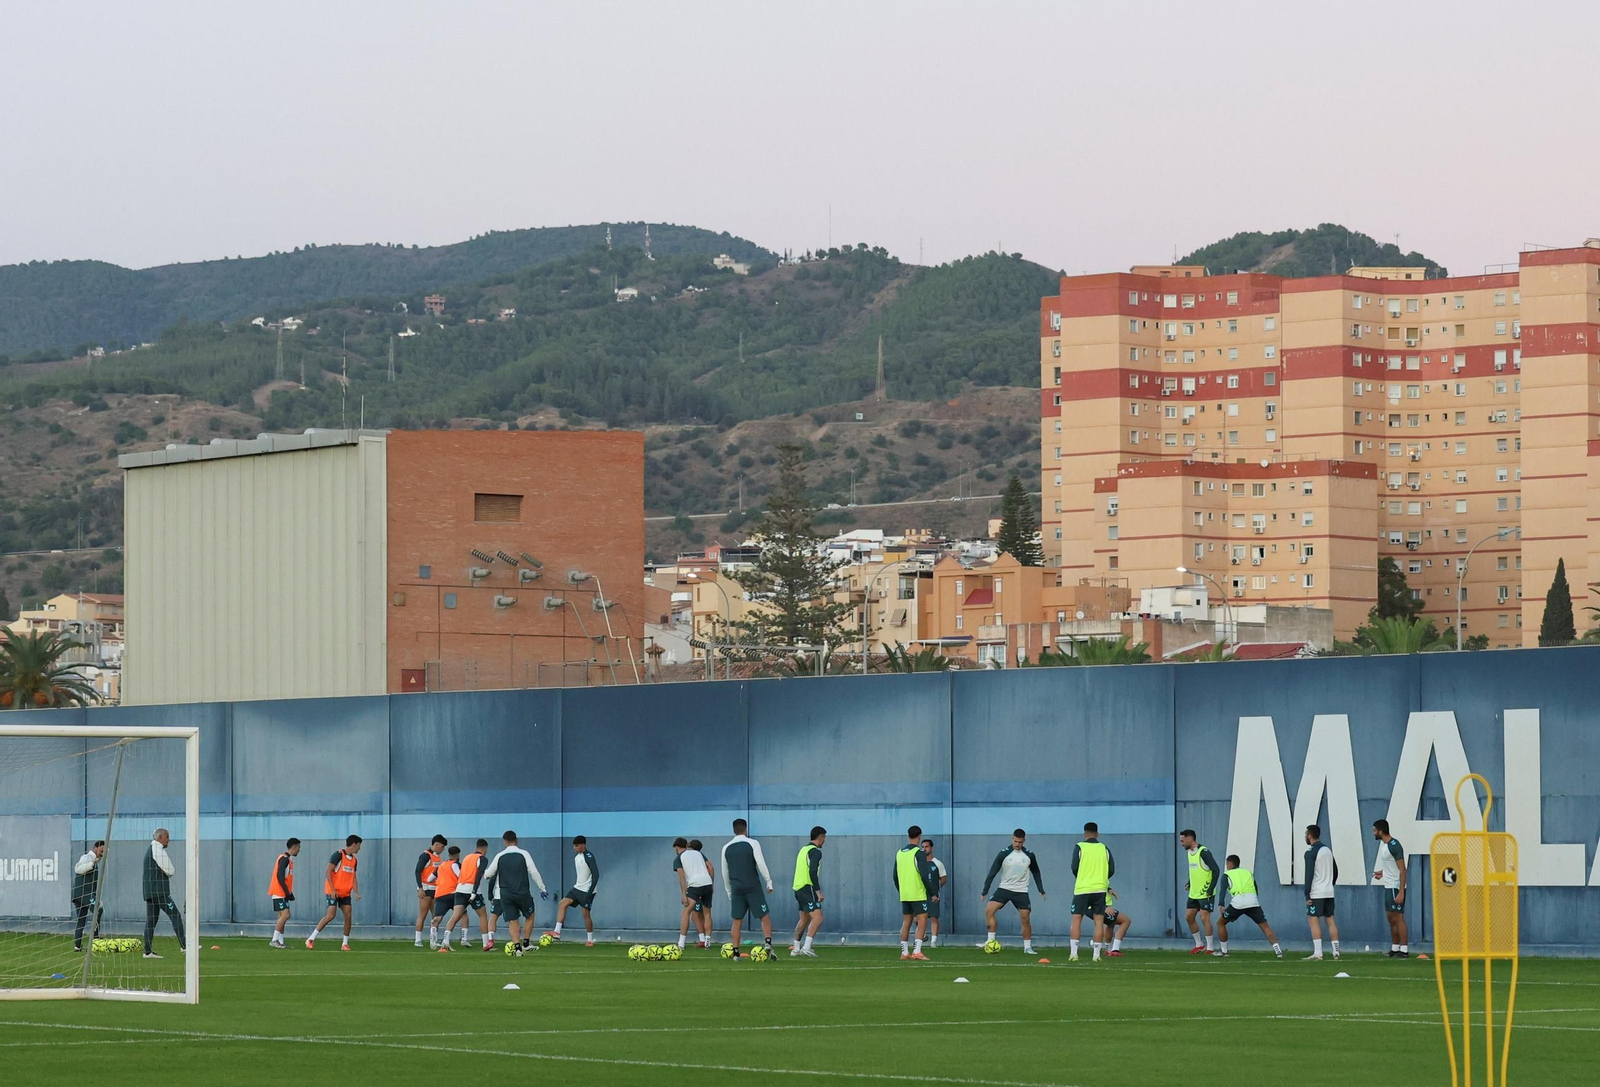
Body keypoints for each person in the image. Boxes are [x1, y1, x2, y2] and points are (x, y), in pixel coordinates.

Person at [979, 828, 1046, 954]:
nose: (1017, 844)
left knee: (1025, 918)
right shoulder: (1004, 853)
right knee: (989, 910)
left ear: (1024, 841)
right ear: (1012, 839)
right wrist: (985, 890)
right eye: (1015, 841)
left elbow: (1036, 872)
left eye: (1020, 842)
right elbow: (993, 872)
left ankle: (1027, 947)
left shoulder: (1029, 855)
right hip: (1004, 888)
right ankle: (990, 941)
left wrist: (1040, 889)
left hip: (1021, 891)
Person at [483, 830, 549, 957]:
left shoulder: (499, 856)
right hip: (522, 892)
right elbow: (533, 871)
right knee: (530, 915)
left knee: (513, 920)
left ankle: (517, 948)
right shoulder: (524, 854)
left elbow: (488, 874)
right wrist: (542, 888)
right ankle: (526, 943)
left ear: (504, 841)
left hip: (506, 894)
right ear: (516, 840)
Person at [720, 818, 774, 960]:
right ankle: (768, 944)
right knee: (764, 916)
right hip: (752, 886)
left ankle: (736, 952)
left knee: (737, 920)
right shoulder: (753, 843)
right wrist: (769, 881)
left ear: (733, 830)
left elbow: (724, 871)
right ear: (746, 829)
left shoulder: (726, 847)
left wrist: (728, 891)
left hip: (736, 888)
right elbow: (761, 863)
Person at [1216, 854, 1283, 958]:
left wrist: (1221, 904)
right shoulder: (1248, 872)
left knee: (1220, 923)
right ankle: (1278, 951)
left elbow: (1222, 891)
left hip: (1238, 903)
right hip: (1253, 901)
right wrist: (1254, 900)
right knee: (1265, 926)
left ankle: (1224, 952)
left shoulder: (1227, 875)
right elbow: (1256, 888)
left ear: (1229, 864)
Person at [307, 834, 361, 950]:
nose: (359, 848)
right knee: (331, 915)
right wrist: (332, 889)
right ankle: (311, 938)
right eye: (359, 846)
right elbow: (328, 871)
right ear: (354, 844)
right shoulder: (338, 855)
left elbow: (353, 877)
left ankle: (345, 943)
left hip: (345, 893)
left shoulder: (354, 861)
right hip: (333, 891)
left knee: (348, 916)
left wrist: (356, 892)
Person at [1070, 821, 1114, 962]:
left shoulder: (1079, 846)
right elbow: (1111, 869)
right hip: (1100, 889)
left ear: (1085, 834)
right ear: (1097, 834)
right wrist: (1100, 878)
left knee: (1076, 920)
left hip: (1082, 888)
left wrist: (1083, 876)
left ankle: (1074, 954)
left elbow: (1074, 867)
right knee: (1099, 922)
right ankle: (1096, 955)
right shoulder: (1104, 848)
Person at [546, 835, 599, 945]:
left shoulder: (589, 857)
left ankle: (590, 940)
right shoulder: (576, 857)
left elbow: (596, 875)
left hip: (587, 890)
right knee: (562, 903)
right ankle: (557, 931)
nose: (574, 848)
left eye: (577, 845)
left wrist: (590, 893)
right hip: (577, 888)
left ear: (583, 845)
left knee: (585, 914)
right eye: (574, 846)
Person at [141, 827, 185, 959]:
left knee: (151, 920)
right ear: (160, 838)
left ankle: (147, 951)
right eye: (167, 837)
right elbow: (170, 870)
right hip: (159, 892)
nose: (169, 840)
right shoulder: (157, 849)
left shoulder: (150, 849)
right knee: (175, 915)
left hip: (149, 892)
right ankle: (185, 946)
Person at [894, 824, 936, 960]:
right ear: (919, 836)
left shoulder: (899, 852)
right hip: (917, 892)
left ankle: (904, 952)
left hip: (905, 893)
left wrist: (901, 890)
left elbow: (895, 875)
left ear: (908, 836)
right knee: (922, 920)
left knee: (906, 922)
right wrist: (932, 892)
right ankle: (917, 951)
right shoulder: (919, 853)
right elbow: (924, 874)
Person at [444, 840, 491, 951]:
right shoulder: (482, 859)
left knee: (456, 916)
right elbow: (478, 875)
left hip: (460, 888)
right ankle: (485, 944)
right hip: (472, 889)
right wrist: (474, 891)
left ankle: (445, 941)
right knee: (482, 915)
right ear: (485, 848)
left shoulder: (467, 857)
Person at [1372, 819, 1409, 958]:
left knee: (1398, 917)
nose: (1374, 833)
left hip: (1395, 886)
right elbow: (1391, 865)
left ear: (1381, 831)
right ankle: (1395, 947)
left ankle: (1404, 950)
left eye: (1375, 830)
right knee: (1390, 917)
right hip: (1388, 885)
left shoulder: (1394, 845)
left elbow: (1402, 869)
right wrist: (1383, 872)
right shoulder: (1384, 846)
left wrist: (1401, 892)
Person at [1179, 829, 1220, 955]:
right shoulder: (1189, 853)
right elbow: (1196, 870)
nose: (1181, 843)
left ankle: (1210, 947)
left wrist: (1211, 888)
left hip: (1205, 892)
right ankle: (1199, 944)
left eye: (1182, 840)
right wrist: (1190, 883)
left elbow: (1216, 869)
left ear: (1190, 839)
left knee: (1204, 918)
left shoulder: (1204, 852)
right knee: (1189, 917)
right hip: (1194, 892)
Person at [1303, 824, 1340, 961]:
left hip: (1317, 892)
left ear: (1309, 836)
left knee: (1313, 920)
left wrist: (1307, 893)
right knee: (1330, 920)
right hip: (1329, 891)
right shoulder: (1327, 850)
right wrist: (1330, 884)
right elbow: (1335, 871)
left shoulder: (1310, 852)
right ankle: (1336, 951)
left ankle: (1318, 953)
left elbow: (1309, 874)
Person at [790, 826, 826, 958]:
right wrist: (818, 891)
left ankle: (796, 948)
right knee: (818, 917)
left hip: (797, 887)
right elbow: (812, 872)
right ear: (820, 837)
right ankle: (807, 946)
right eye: (824, 838)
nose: (824, 841)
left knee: (804, 919)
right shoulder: (815, 852)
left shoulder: (803, 850)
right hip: (807, 886)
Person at [673, 837, 715, 950]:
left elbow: (682, 878)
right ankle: (707, 942)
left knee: (686, 913)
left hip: (695, 885)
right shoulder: (698, 853)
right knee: (707, 914)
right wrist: (712, 883)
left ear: (676, 848)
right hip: (707, 883)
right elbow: (710, 867)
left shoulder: (679, 858)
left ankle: (681, 944)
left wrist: (683, 894)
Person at [71, 840, 106, 953]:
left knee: (81, 920)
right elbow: (78, 869)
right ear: (95, 847)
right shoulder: (86, 858)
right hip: (84, 894)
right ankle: (95, 939)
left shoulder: (93, 861)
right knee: (98, 909)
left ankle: (77, 946)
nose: (102, 853)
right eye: (101, 850)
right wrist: (92, 863)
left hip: (79, 895)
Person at [267, 837, 300, 949]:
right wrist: (287, 893)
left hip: (282, 892)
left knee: (282, 917)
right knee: (286, 915)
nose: (299, 850)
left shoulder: (287, 859)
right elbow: (280, 876)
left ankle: (280, 941)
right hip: (279, 892)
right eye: (298, 848)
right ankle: (274, 939)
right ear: (294, 847)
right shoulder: (284, 859)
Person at [415, 834, 446, 948]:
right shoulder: (425, 856)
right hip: (426, 888)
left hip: (436, 888)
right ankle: (418, 939)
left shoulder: (438, 857)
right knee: (423, 914)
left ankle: (434, 938)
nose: (443, 849)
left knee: (436, 915)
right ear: (436, 844)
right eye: (442, 847)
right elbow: (417, 871)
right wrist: (420, 888)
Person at [431, 845, 463, 950]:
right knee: (462, 915)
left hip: (440, 894)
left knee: (437, 919)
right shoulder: (455, 864)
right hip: (453, 893)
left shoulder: (441, 865)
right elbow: (460, 877)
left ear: (448, 854)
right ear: (458, 854)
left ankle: (433, 940)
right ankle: (463, 939)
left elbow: (430, 878)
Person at [920, 838, 947, 946]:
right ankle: (923, 935)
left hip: (933, 894)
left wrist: (937, 888)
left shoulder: (937, 863)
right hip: (920, 893)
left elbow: (943, 878)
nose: (924, 849)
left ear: (931, 848)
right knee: (917, 917)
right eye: (923, 847)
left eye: (926, 846)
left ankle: (933, 941)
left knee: (934, 917)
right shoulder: (919, 863)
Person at [1102, 886, 1130, 956]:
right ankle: (1115, 949)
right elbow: (1094, 889)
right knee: (1126, 921)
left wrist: (1109, 889)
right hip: (1100, 907)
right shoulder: (1098, 876)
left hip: (1099, 907)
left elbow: (1102, 885)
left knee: (1111, 923)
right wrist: (1104, 907)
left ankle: (1108, 950)